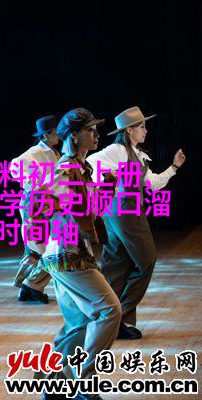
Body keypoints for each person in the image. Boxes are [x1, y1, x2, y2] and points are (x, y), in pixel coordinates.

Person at [39, 109, 121, 400]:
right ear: (74, 135)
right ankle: (85, 380)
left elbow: (87, 212)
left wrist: (104, 189)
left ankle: (54, 381)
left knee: (78, 323)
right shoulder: (66, 167)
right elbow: (48, 201)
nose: (97, 135)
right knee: (110, 310)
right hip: (67, 254)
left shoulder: (80, 168)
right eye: (91, 130)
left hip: (65, 253)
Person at [86, 106, 186, 339]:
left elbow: (153, 183)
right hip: (125, 212)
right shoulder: (118, 150)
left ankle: (108, 320)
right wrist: (109, 178)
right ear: (129, 130)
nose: (146, 130)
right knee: (146, 260)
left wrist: (174, 167)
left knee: (117, 265)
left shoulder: (137, 155)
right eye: (142, 126)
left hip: (116, 212)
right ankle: (121, 316)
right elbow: (89, 164)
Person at [11, 115, 60, 304]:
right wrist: (31, 182)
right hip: (34, 203)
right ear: (46, 135)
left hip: (46, 202)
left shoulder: (54, 153)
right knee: (41, 247)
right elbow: (15, 167)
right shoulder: (35, 151)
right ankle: (30, 285)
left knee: (46, 247)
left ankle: (30, 286)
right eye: (56, 132)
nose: (58, 136)